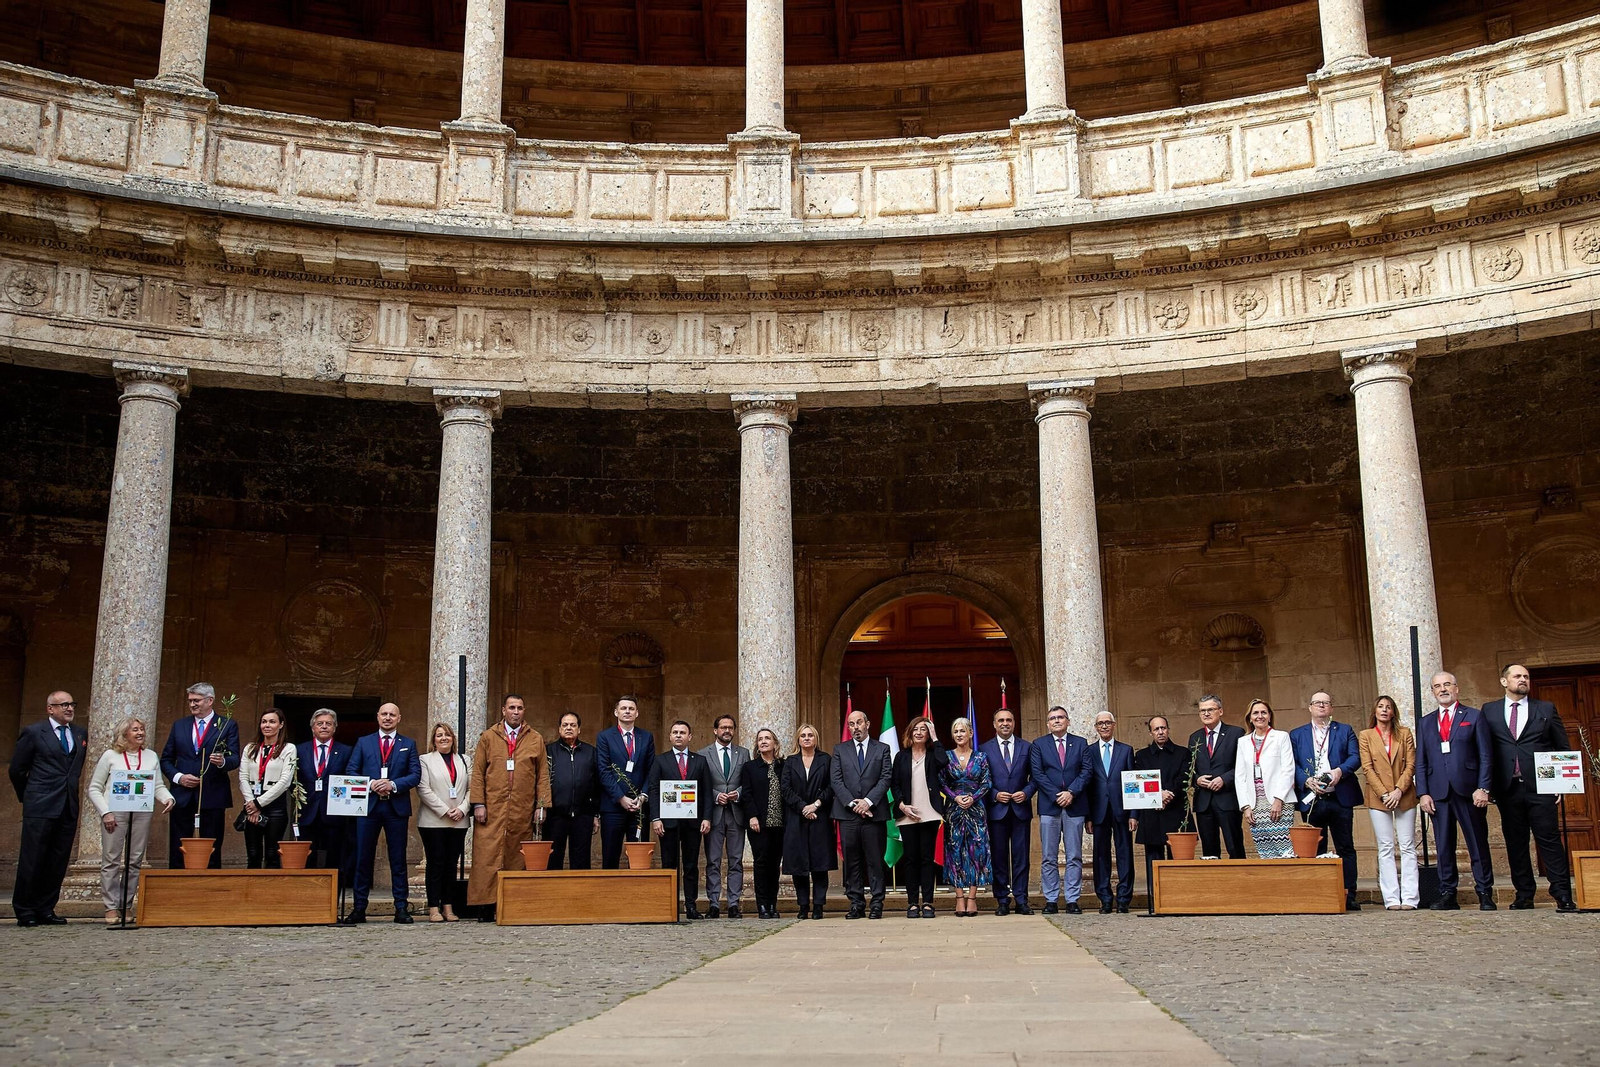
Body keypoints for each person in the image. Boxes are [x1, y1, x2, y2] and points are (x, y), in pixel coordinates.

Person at [1480, 664, 1577, 911]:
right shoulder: (1489, 711)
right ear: (1504, 681)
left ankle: (1562, 894)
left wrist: (1559, 783)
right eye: (1517, 676)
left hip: (1541, 786)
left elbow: (1562, 748)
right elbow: (1485, 750)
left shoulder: (1545, 708)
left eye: (1526, 676)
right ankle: (1524, 894)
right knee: (1516, 843)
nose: (1523, 679)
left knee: (1550, 840)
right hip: (1507, 788)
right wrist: (1486, 785)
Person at [1414, 671, 1494, 910]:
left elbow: (1486, 755)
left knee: (1477, 843)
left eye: (1447, 684)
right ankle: (1448, 892)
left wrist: (1483, 787)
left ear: (1456, 688)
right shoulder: (1426, 722)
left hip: (1469, 791)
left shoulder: (1474, 716)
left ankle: (1484, 892)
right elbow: (1421, 761)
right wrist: (1423, 793)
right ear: (1432, 692)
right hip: (1438, 793)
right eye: (1437, 686)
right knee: (1444, 846)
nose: (1443, 689)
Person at [9, 691, 89, 927]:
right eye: (63, 705)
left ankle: (46, 908)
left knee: (57, 860)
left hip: (67, 805)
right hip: (40, 804)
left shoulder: (79, 733)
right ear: (50, 709)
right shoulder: (34, 732)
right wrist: (30, 796)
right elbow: (17, 770)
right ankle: (25, 910)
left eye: (71, 704)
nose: (69, 708)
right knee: (33, 858)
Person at [468, 694, 551, 922]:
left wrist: (541, 805)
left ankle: (513, 903)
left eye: (520, 708)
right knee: (487, 854)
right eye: (512, 707)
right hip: (492, 807)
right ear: (503, 710)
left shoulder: (535, 738)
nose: (516, 712)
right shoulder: (488, 737)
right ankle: (486, 903)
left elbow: (542, 775)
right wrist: (478, 803)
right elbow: (478, 773)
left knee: (517, 854)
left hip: (521, 807)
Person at [88, 716, 176, 923]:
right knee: (111, 859)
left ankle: (126, 905)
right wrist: (105, 812)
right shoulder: (110, 756)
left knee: (135, 860)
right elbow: (94, 788)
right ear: (124, 733)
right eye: (135, 729)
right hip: (115, 813)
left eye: (142, 729)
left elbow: (157, 785)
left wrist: (168, 798)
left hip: (141, 812)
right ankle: (111, 907)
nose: (140, 733)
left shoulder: (151, 756)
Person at [343, 702, 421, 925]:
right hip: (369, 806)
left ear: (399, 718)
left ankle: (401, 907)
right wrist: (371, 784)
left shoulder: (408, 744)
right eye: (384, 714)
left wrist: (393, 784)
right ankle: (359, 908)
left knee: (398, 859)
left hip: (396, 807)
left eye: (392, 715)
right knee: (363, 857)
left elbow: (415, 774)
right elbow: (351, 771)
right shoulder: (364, 742)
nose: (388, 718)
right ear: (377, 717)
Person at [1290, 691, 1363, 911]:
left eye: (1326, 703)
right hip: (1313, 799)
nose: (1321, 706)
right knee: (1314, 848)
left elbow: (1355, 757)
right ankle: (1319, 894)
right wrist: (1306, 780)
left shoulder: (1345, 730)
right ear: (1310, 707)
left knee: (1345, 847)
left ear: (1331, 708)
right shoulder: (1297, 734)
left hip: (1340, 797)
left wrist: (1340, 771)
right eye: (1317, 703)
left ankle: (1348, 894)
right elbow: (1292, 763)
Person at [160, 682, 241, 869]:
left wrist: (222, 761)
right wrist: (179, 777)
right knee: (178, 847)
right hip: (183, 795)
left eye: (196, 700)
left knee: (211, 847)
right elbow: (166, 759)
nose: (192, 704)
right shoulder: (179, 725)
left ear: (210, 700)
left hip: (212, 795)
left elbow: (235, 758)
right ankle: (176, 882)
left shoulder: (227, 725)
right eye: (190, 701)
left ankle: (210, 884)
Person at [830, 707, 893, 920]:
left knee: (875, 861)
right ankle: (856, 903)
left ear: (867, 724)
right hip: (848, 816)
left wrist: (867, 802)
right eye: (851, 724)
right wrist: (852, 803)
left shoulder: (882, 749)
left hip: (874, 815)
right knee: (852, 862)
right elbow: (836, 780)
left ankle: (877, 904)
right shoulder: (840, 750)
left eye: (859, 722)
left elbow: (885, 778)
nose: (855, 727)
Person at [647, 720, 712, 919]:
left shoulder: (700, 761)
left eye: (682, 732)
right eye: (675, 732)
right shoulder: (660, 760)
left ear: (689, 737)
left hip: (693, 822)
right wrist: (655, 818)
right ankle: (670, 906)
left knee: (691, 865)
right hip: (668, 822)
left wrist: (707, 818)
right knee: (669, 863)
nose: (678, 735)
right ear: (670, 736)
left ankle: (691, 906)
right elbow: (654, 790)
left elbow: (706, 792)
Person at [1029, 705, 1091, 914]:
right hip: (1050, 806)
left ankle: (1072, 899)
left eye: (1060, 717)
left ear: (1068, 721)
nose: (1056, 720)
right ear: (1048, 724)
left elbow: (1086, 771)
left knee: (1074, 856)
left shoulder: (1080, 743)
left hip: (1075, 805)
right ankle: (1051, 899)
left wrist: (1071, 792)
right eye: (1052, 718)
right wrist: (1057, 795)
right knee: (1049, 856)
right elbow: (1037, 773)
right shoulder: (1039, 744)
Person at [1358, 695, 1418, 910]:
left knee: (1408, 846)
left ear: (1393, 712)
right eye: (1381, 707)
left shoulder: (1405, 733)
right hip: (1378, 796)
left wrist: (1398, 790)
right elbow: (1367, 768)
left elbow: (1411, 764)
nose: (1384, 710)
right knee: (1385, 846)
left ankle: (1410, 897)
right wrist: (1384, 793)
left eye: (1388, 707)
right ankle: (1391, 898)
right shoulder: (1365, 735)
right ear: (1374, 711)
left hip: (1404, 794)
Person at [891, 717, 948, 918]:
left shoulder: (933, 755)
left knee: (926, 859)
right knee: (910, 859)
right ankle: (913, 903)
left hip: (929, 814)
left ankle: (928, 903)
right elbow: (894, 784)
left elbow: (944, 761)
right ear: (910, 732)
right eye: (915, 729)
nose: (918, 732)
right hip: (907, 814)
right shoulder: (901, 756)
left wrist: (936, 737)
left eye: (923, 729)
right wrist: (902, 806)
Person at [980, 707, 1034, 914]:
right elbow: (980, 779)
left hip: (1020, 809)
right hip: (997, 811)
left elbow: (1036, 777)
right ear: (994, 724)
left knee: (1021, 857)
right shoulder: (984, 749)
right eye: (1001, 720)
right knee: (999, 857)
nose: (1005, 723)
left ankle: (1021, 899)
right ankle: (1002, 899)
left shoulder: (1027, 747)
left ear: (1014, 723)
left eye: (1008, 720)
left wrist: (1026, 793)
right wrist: (994, 794)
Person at [417, 722, 471, 923]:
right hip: (433, 821)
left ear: (453, 738)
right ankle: (433, 907)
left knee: (451, 864)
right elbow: (423, 789)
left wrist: (462, 809)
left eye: (447, 735)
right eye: (439, 735)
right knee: (435, 863)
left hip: (458, 820)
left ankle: (448, 906)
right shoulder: (425, 760)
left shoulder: (464, 760)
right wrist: (444, 810)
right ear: (434, 739)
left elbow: (472, 788)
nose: (443, 738)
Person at [941, 717, 993, 918]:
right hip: (954, 810)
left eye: (963, 731)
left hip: (975, 810)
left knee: (976, 851)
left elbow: (987, 782)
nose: (959, 735)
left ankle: (972, 898)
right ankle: (959, 897)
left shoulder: (981, 757)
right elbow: (941, 782)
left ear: (971, 733)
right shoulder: (946, 757)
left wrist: (973, 798)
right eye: (956, 731)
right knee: (955, 851)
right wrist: (955, 797)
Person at [781, 723, 835, 919]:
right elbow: (785, 789)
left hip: (820, 817)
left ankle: (819, 905)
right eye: (803, 735)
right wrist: (804, 807)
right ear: (798, 739)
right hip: (797, 818)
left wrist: (816, 805)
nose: (806, 738)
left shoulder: (825, 759)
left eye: (810, 735)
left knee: (820, 865)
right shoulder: (790, 761)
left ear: (815, 738)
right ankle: (803, 905)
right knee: (799, 866)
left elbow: (831, 786)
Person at [296, 708, 353, 890]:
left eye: (328, 724)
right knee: (306, 856)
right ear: (313, 727)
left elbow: (350, 778)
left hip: (334, 813)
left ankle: (332, 896)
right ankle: (308, 894)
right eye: (320, 723)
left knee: (335, 857)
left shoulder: (346, 751)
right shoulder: (299, 750)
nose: (324, 727)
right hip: (307, 812)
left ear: (334, 728)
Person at [595, 696, 655, 869]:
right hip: (613, 806)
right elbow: (603, 770)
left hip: (639, 807)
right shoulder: (605, 737)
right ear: (616, 712)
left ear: (637, 713)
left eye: (631, 708)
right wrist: (621, 797)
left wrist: (643, 796)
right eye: (623, 708)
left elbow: (651, 769)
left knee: (639, 860)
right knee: (610, 856)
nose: (627, 711)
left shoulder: (646, 737)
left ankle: (637, 887)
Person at [700, 714, 749, 918]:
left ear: (734, 730)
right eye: (723, 727)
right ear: (715, 730)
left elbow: (748, 781)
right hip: (714, 814)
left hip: (736, 813)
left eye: (730, 727)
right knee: (713, 860)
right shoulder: (703, 754)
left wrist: (738, 793)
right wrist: (715, 796)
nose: (727, 731)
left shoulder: (743, 753)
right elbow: (701, 783)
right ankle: (713, 903)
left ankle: (733, 903)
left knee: (736, 860)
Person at [1086, 712, 1135, 913]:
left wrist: (1134, 814)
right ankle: (1105, 898)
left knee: (1125, 854)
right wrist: (1088, 817)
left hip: (1122, 810)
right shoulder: (1089, 751)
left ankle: (1124, 898)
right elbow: (1087, 786)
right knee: (1100, 856)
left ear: (1114, 725)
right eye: (1100, 723)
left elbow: (1132, 783)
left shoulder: (1126, 750)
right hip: (1098, 811)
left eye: (1107, 723)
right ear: (1096, 727)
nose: (1104, 726)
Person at [238, 708, 299, 869]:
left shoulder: (288, 748)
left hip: (275, 806)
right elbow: (243, 777)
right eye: (264, 722)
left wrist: (259, 803)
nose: (267, 725)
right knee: (253, 854)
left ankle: (271, 885)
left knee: (272, 854)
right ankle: (252, 885)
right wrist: (251, 804)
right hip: (251, 803)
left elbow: (285, 781)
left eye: (272, 722)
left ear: (281, 725)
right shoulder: (250, 748)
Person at [1234, 700, 1295, 860]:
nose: (1259, 716)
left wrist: (1278, 799)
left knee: (1285, 851)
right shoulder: (1243, 742)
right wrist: (1245, 806)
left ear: (1269, 716)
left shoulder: (1281, 737)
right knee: (1265, 852)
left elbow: (1288, 770)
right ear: (1250, 718)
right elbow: (1240, 776)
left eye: (1263, 712)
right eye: (1255, 713)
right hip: (1255, 804)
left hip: (1279, 802)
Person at [1187, 694, 1245, 859]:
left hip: (1227, 799)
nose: (1206, 713)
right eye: (1202, 711)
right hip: (1204, 802)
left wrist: (1224, 779)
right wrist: (1197, 779)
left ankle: (1240, 875)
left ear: (1220, 711)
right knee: (1209, 851)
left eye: (1210, 709)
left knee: (1234, 846)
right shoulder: (1195, 737)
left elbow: (1243, 765)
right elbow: (1189, 768)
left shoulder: (1236, 733)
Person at [740, 728, 786, 918]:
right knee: (761, 862)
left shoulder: (784, 765)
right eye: (760, 739)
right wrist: (752, 816)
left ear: (775, 743)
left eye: (767, 738)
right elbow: (747, 794)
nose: (764, 741)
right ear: (757, 745)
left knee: (775, 864)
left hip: (780, 823)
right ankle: (762, 906)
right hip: (759, 823)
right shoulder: (750, 767)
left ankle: (773, 904)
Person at [544, 711, 599, 870]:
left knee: (581, 862)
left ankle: (580, 888)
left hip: (583, 815)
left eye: (573, 725)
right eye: (565, 725)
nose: (569, 728)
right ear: (559, 729)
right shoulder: (548, 751)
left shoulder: (590, 752)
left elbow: (596, 785)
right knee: (552, 860)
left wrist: (596, 814)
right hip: (555, 815)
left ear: (579, 729)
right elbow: (541, 781)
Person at [1130, 716, 1190, 861]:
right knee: (1153, 861)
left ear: (1168, 730)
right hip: (1152, 813)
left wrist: (1167, 794)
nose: (1160, 732)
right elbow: (1139, 781)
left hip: (1176, 809)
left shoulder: (1183, 753)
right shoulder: (1142, 756)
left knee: (1177, 860)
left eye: (1163, 728)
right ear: (1150, 733)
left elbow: (1183, 778)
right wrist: (1158, 795)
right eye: (1156, 729)